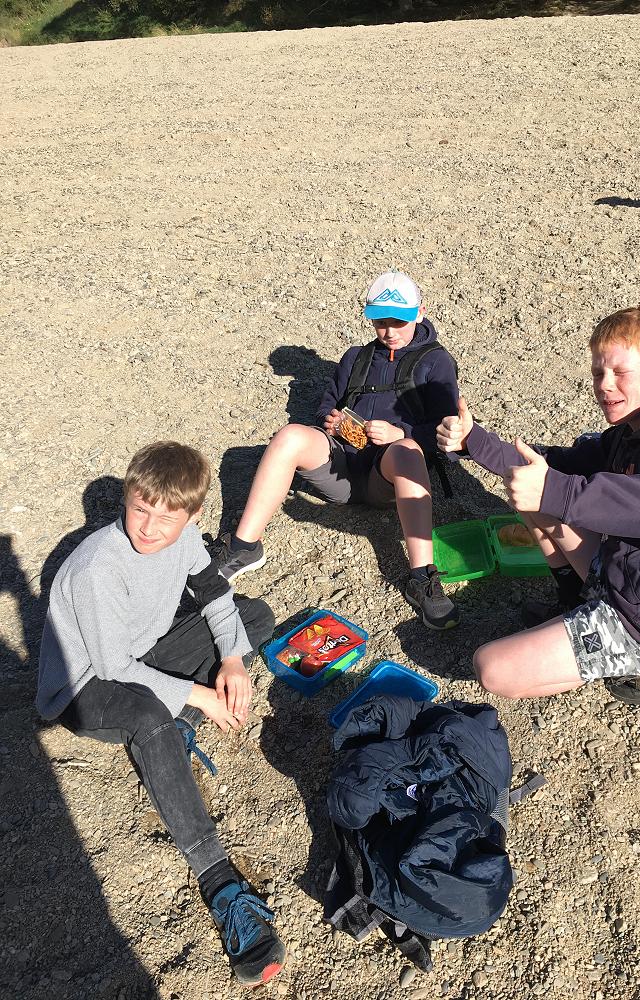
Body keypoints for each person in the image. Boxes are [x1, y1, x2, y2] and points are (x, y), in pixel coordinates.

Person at [36, 441, 286, 987]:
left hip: (142, 651)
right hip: (86, 687)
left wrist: (232, 660)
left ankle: (174, 731)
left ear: (194, 516)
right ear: (127, 499)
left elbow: (214, 591)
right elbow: (112, 667)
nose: (148, 528)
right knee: (150, 713)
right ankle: (219, 880)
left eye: (167, 517)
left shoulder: (188, 538)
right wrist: (199, 695)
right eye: (139, 509)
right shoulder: (99, 567)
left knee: (254, 619)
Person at [437, 305, 640, 707]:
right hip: (630, 577)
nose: (604, 385)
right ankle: (574, 601)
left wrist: (555, 491)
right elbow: (555, 465)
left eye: (619, 372)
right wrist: (473, 440)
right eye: (598, 373)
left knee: (491, 668)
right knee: (537, 493)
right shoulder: (635, 429)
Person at [216, 271, 461, 631]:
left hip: (388, 478)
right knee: (289, 436)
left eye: (399, 321)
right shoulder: (355, 357)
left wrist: (400, 433)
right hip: (342, 466)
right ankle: (244, 545)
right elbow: (326, 406)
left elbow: (449, 436)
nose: (389, 331)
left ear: (420, 313)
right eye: (380, 322)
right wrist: (330, 422)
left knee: (407, 450)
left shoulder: (435, 362)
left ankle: (422, 577)